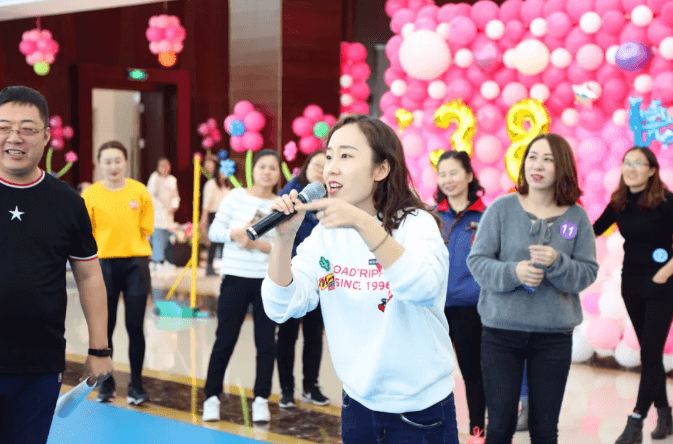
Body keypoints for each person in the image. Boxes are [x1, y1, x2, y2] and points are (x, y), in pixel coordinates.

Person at [262, 115, 459, 443]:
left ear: (381, 169)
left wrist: (364, 223)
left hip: (421, 411)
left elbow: (424, 287)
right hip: (357, 406)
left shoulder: (416, 224)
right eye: (329, 156)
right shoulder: (326, 234)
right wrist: (283, 240)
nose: (332, 168)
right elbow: (280, 307)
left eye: (346, 156)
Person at [466, 133, 598, 444]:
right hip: (500, 333)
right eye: (532, 157)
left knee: (544, 429)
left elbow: (587, 272)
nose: (537, 166)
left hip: (553, 337)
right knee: (500, 426)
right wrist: (514, 272)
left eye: (547, 159)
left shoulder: (576, 217)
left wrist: (557, 263)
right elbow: (478, 261)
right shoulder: (501, 208)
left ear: (561, 166)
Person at [0, 86, 112, 444]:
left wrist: (99, 349)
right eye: (3, 127)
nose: (14, 137)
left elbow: (89, 275)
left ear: (47, 136)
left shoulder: (67, 202)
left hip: (40, 364)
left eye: (27, 129)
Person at [593, 147, 673, 444]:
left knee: (650, 354)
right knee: (649, 354)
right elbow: (594, 230)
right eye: (627, 163)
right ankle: (665, 414)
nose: (631, 168)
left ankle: (636, 420)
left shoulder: (666, 202)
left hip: (662, 285)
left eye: (638, 163)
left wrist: (663, 274)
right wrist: (563, 228)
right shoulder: (620, 202)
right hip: (631, 285)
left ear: (652, 170)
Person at [202, 149, 282, 424]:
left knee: (266, 343)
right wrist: (234, 234)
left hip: (266, 281)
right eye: (262, 166)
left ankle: (261, 399)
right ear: (253, 169)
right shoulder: (235, 197)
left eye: (273, 168)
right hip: (235, 278)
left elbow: (282, 247)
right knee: (225, 339)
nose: (267, 172)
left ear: (278, 174)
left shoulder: (280, 205)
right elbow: (214, 232)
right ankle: (211, 397)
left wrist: (257, 245)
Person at [82, 141, 154, 405]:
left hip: (136, 265)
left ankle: (136, 386)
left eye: (117, 160)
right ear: (99, 164)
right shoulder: (91, 195)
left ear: (125, 162)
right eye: (107, 161)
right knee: (105, 328)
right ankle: (106, 384)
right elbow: (85, 232)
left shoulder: (139, 190)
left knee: (135, 327)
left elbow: (147, 226)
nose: (113, 166)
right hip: (104, 266)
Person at [434, 150, 486, 442]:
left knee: (472, 372)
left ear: (468, 175)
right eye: (442, 174)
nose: (448, 179)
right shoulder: (430, 216)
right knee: (433, 373)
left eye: (454, 172)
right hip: (433, 307)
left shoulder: (486, 216)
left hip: (469, 308)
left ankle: (478, 431)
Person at [275, 150, 330, 409]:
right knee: (287, 335)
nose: (320, 170)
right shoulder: (291, 196)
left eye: (324, 166)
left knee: (314, 335)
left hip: (320, 279)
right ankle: (286, 390)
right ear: (306, 167)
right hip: (292, 275)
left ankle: (311, 386)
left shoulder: (332, 199)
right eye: (316, 165)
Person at [199, 155, 231, 276]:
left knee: (224, 242)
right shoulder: (211, 184)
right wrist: (203, 220)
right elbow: (206, 205)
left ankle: (224, 266)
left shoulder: (226, 186)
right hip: (214, 215)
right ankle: (209, 267)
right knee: (213, 242)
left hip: (226, 216)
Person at [147, 157, 179, 270]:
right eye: (163, 166)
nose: (165, 168)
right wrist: (160, 207)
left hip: (169, 212)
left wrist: (174, 206)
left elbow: (175, 196)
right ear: (158, 168)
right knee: (158, 236)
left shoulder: (172, 180)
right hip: (158, 211)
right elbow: (150, 195)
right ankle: (156, 260)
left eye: (167, 166)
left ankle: (165, 259)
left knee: (167, 237)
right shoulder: (154, 178)